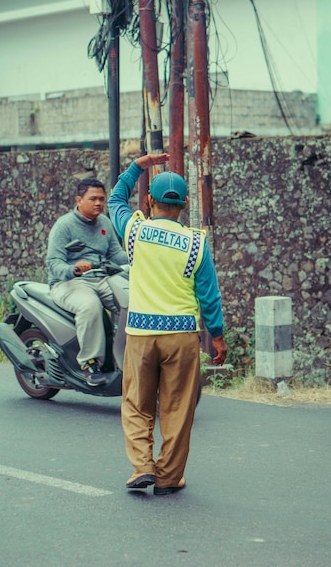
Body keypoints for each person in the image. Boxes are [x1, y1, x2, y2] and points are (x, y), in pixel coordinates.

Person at [108, 153, 227, 495]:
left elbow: (116, 199)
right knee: (177, 410)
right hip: (182, 336)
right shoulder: (196, 242)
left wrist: (137, 167)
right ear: (185, 204)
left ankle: (142, 467)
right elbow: (209, 295)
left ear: (150, 201)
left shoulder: (135, 229)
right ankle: (169, 476)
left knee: (136, 404)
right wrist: (217, 338)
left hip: (142, 334)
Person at [46, 177, 128, 386]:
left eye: (102, 199)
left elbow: (116, 254)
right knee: (90, 305)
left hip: (102, 279)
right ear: (79, 200)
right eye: (93, 199)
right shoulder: (64, 226)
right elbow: (54, 263)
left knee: (132, 302)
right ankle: (90, 364)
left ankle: (129, 356)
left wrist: (139, 259)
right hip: (69, 283)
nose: (99, 203)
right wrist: (73, 269)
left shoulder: (104, 223)